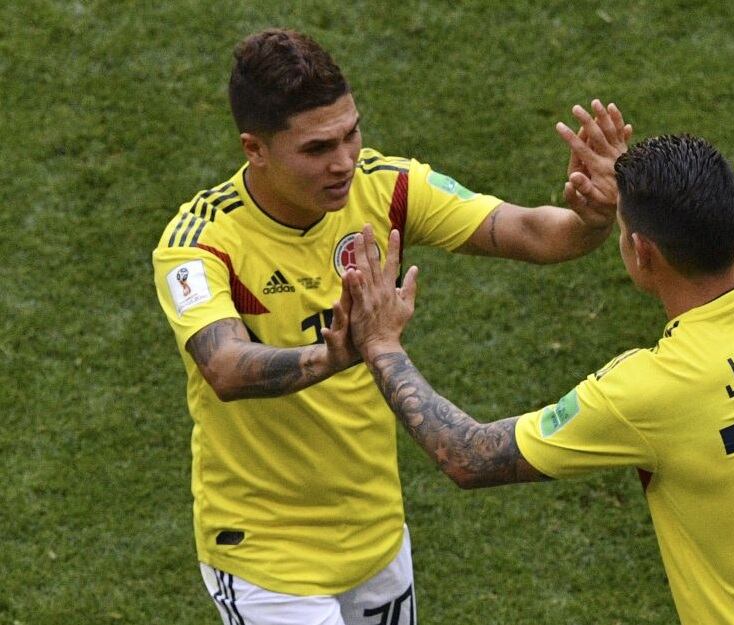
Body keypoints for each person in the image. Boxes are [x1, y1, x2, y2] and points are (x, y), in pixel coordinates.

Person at [338, 133, 734, 624]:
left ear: (642, 253)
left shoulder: (648, 392)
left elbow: (467, 455)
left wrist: (383, 344)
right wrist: (638, 188)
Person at [151, 28, 630, 625]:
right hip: (264, 556)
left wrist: (592, 216)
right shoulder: (200, 243)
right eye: (318, 148)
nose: (344, 161)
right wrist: (335, 354)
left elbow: (530, 232)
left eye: (352, 133)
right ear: (256, 149)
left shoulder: (386, 187)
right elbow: (223, 366)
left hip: (376, 537)